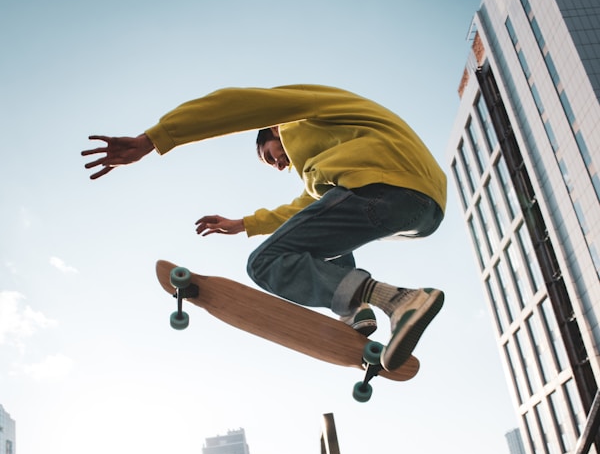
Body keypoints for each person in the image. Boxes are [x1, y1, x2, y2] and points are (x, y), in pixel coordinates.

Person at [82, 84, 446, 369]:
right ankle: (355, 309)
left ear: (274, 130)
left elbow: (236, 105)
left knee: (266, 263)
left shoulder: (301, 112)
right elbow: (305, 211)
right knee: (319, 226)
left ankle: (397, 299)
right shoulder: (334, 162)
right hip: (421, 208)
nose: (279, 164)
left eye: (271, 154)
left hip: (384, 189)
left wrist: (153, 139)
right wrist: (244, 224)